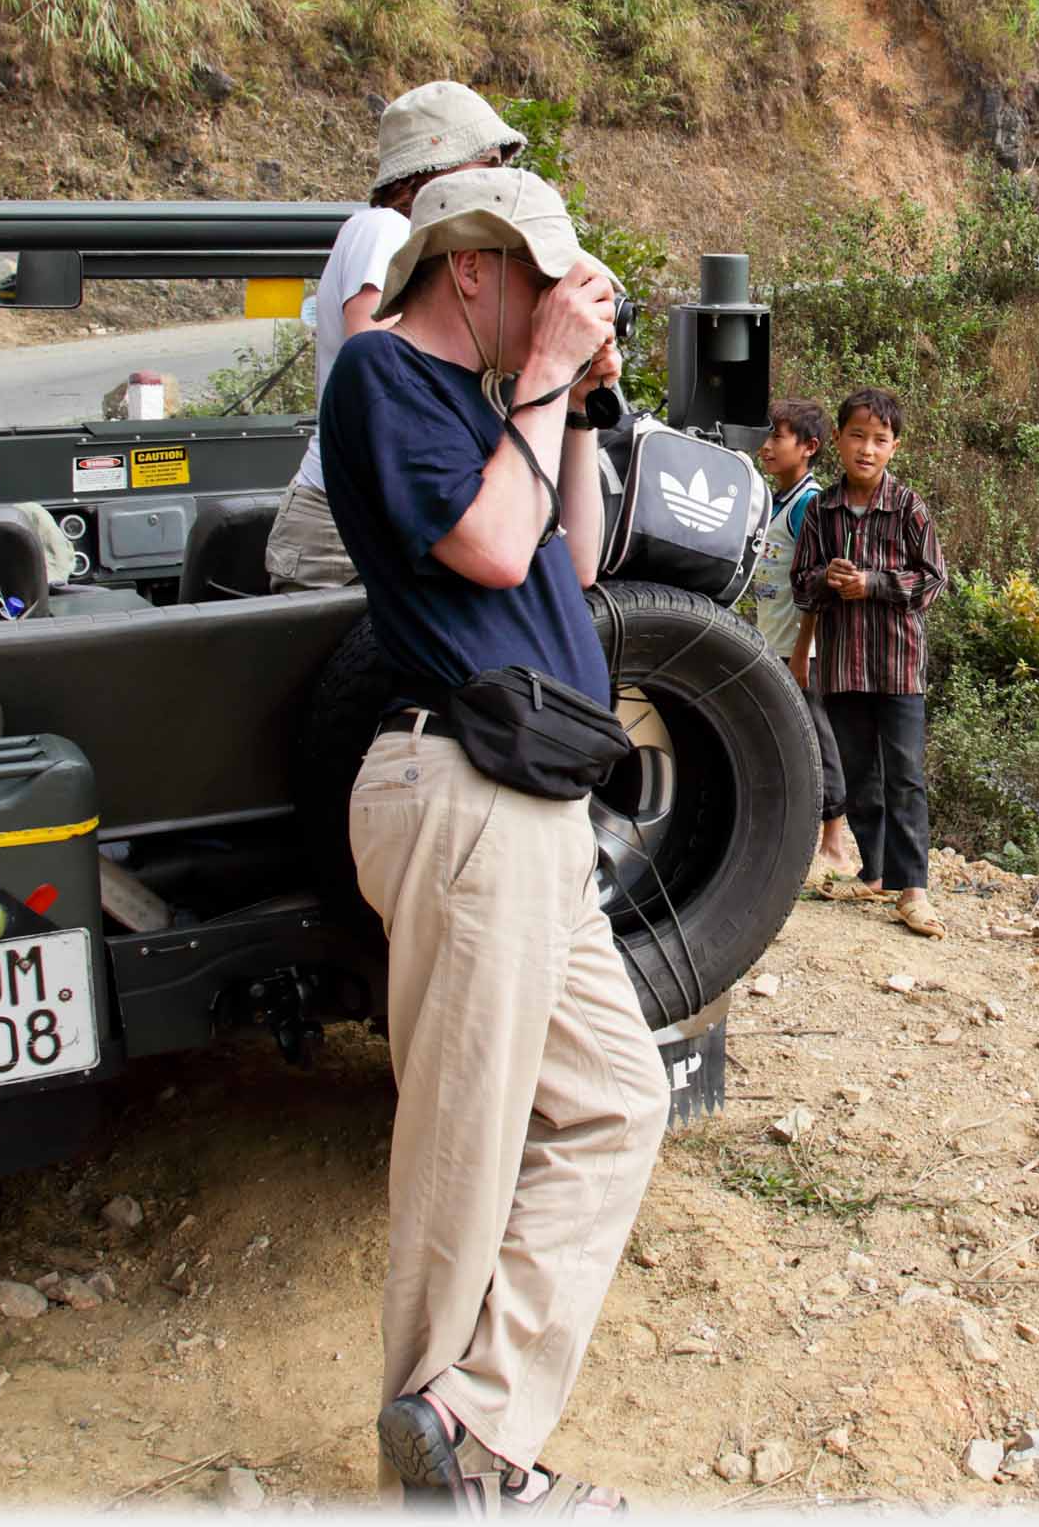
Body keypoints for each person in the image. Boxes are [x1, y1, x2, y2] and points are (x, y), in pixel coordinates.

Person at [319, 166, 671, 1514]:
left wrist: (574, 409)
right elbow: (482, 547)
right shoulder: (384, 377)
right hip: (460, 789)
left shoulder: (490, 406)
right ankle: (455, 1470)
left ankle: (464, 1417)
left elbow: (566, 558)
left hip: (532, 807)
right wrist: (539, 384)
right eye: (537, 278)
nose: (551, 305)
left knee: (615, 1101)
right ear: (468, 267)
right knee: (469, 1139)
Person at [264, 81, 525, 592]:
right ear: (431, 170)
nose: (499, 180)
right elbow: (387, 381)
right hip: (335, 531)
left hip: (390, 507)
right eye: (486, 164)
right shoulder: (383, 229)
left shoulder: (428, 251)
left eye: (502, 164)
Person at [790, 387, 949, 939]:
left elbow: (933, 582)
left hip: (899, 665)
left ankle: (914, 890)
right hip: (842, 666)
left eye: (879, 440)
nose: (866, 449)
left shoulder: (908, 507)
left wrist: (875, 583)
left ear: (894, 448)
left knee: (904, 776)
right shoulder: (822, 512)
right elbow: (801, 586)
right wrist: (828, 582)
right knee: (859, 773)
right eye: (856, 436)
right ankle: (876, 872)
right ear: (836, 440)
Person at [751, 397, 854, 883]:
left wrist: (802, 652)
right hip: (776, 640)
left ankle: (835, 840)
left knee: (817, 734)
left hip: (803, 649)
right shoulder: (774, 499)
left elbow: (820, 585)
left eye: (777, 437)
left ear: (809, 447)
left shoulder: (808, 506)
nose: (767, 446)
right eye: (767, 436)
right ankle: (793, 833)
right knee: (786, 734)